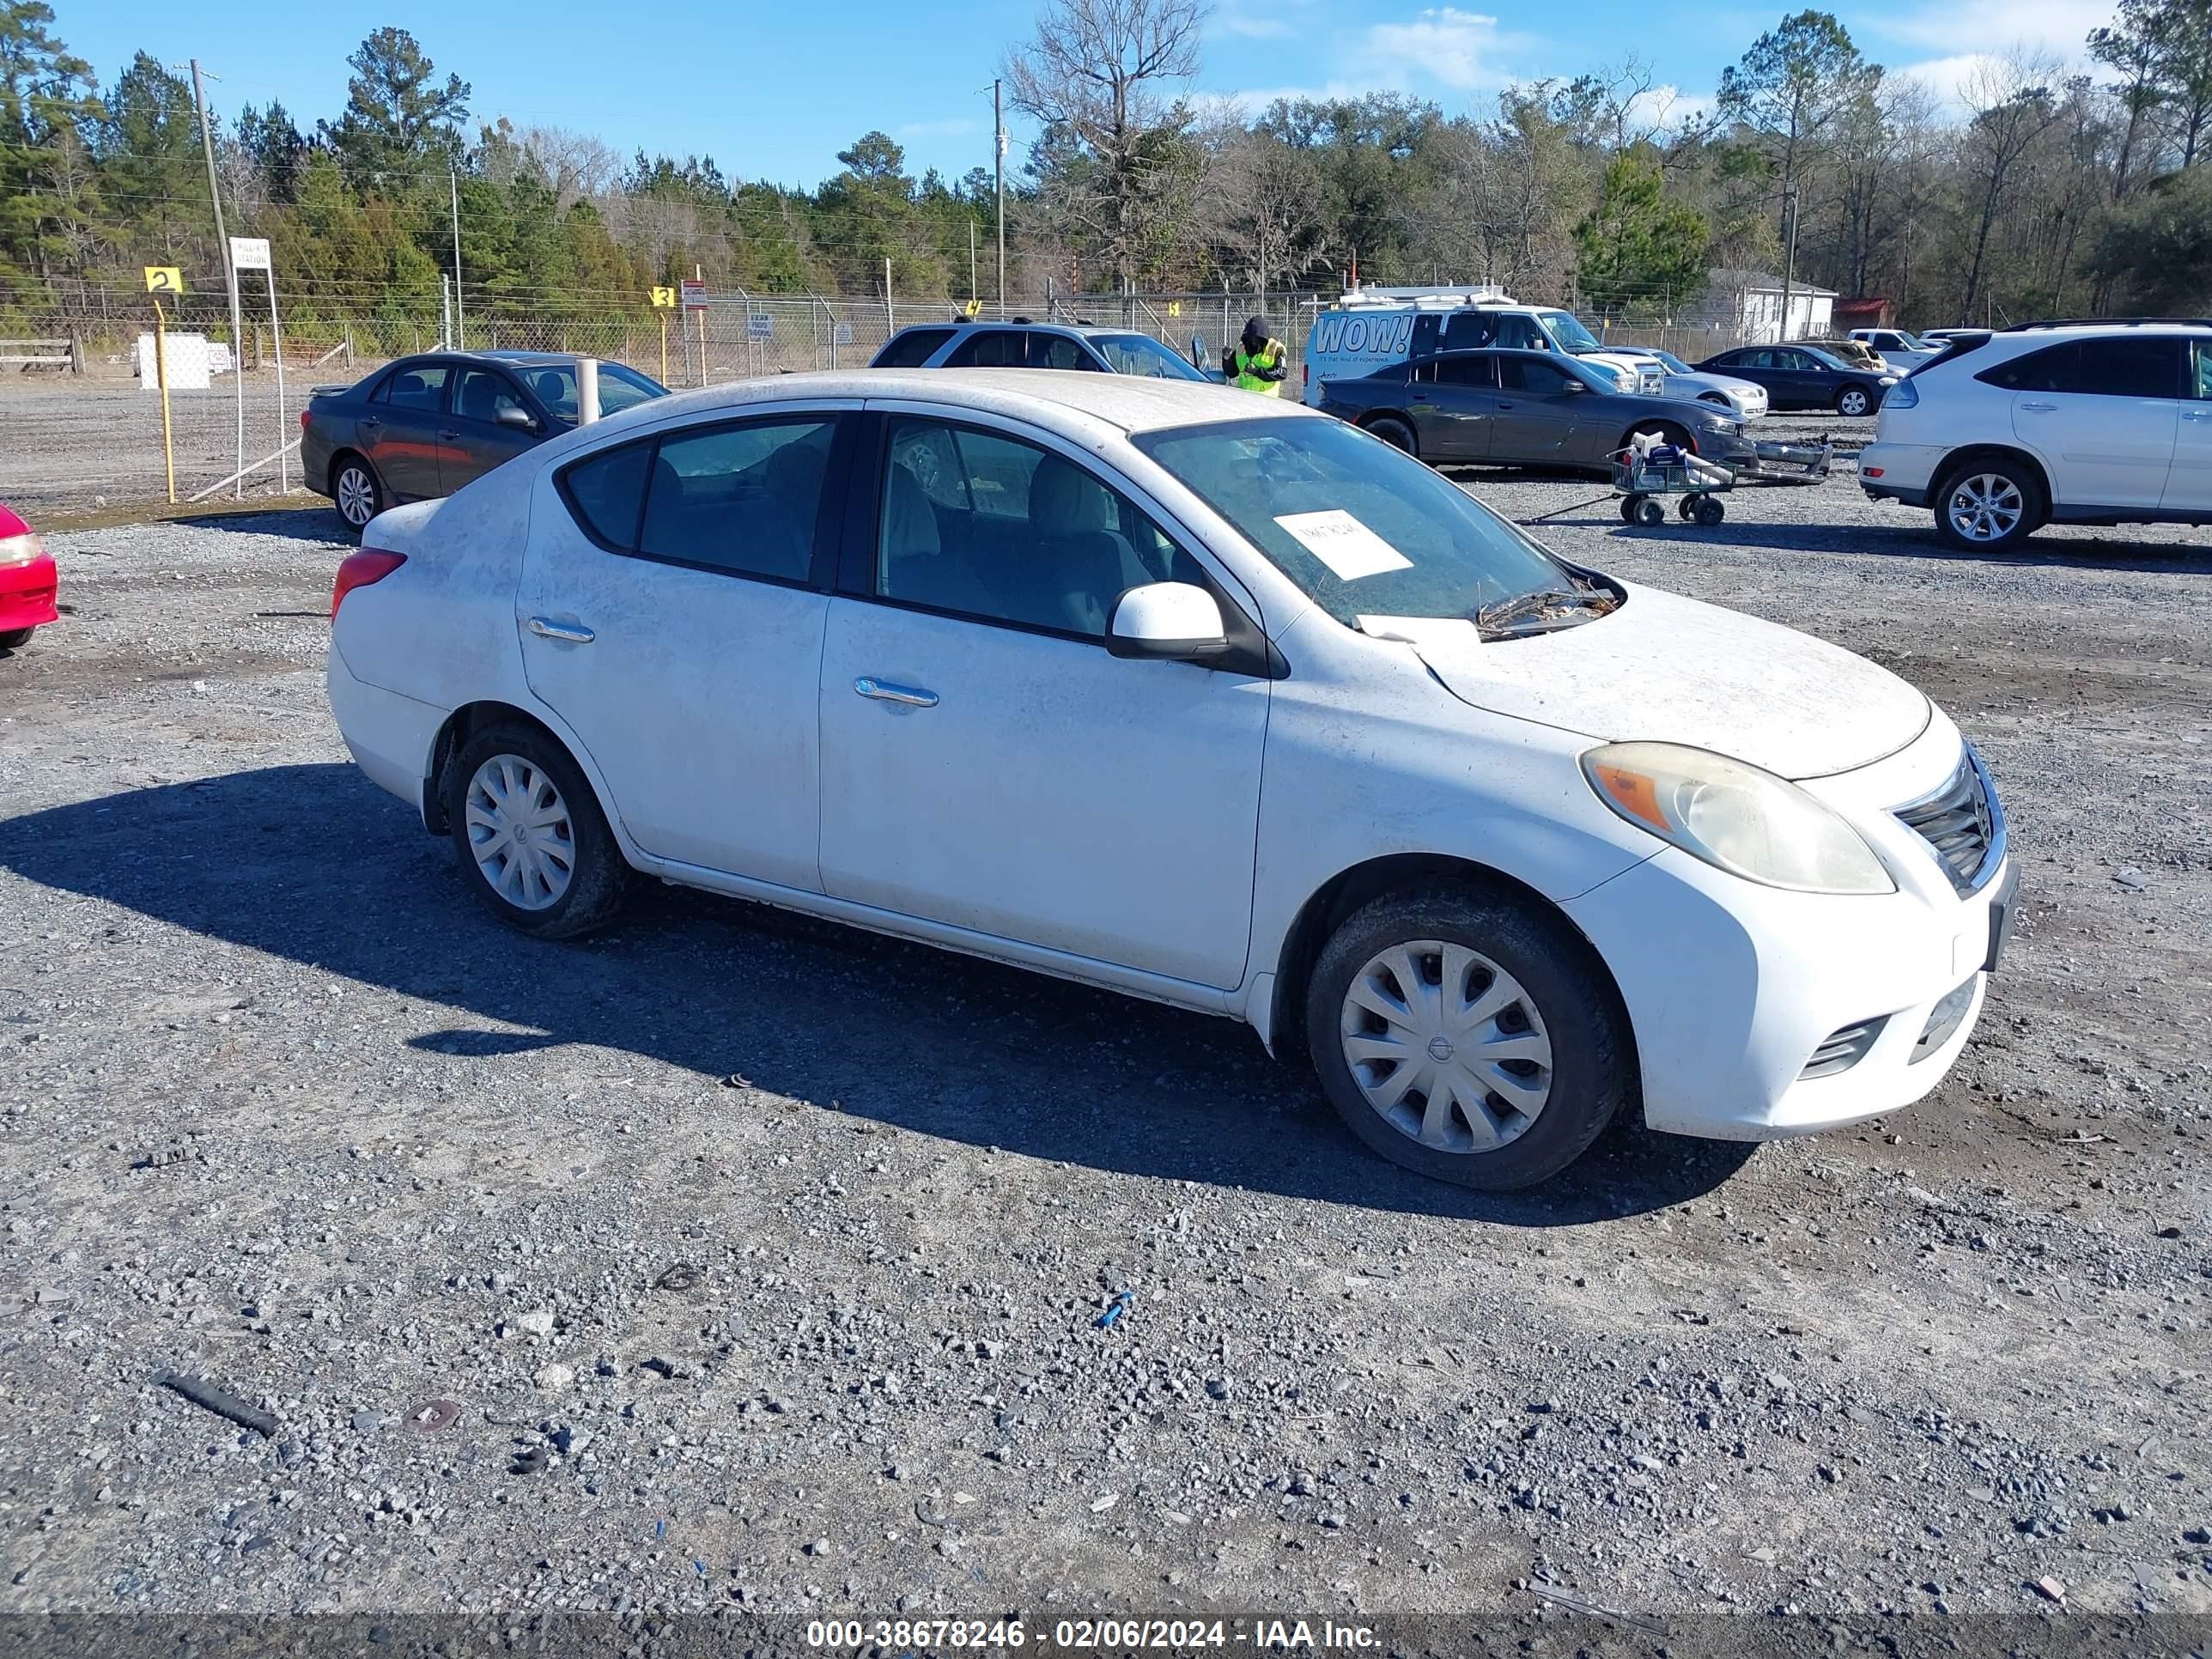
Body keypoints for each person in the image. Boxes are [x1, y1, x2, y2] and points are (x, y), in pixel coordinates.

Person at [1224, 316, 1289, 396]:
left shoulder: (1276, 348)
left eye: (1256, 340)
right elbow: (1230, 372)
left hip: (1267, 401)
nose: (1252, 343)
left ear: (1263, 340)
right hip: (1243, 400)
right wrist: (1225, 358)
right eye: (1249, 340)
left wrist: (1256, 371)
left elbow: (1282, 373)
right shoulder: (1241, 348)